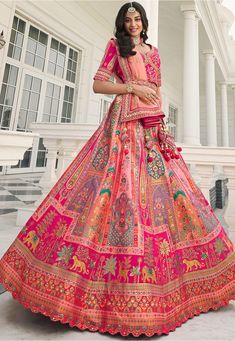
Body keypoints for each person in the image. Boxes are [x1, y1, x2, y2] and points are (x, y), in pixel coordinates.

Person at [0, 1, 235, 337]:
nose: (133, 24)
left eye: (138, 18)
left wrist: (160, 126)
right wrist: (128, 87)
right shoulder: (116, 47)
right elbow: (98, 84)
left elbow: (156, 89)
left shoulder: (153, 52)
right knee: (113, 189)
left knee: (165, 196)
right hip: (121, 126)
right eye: (128, 19)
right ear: (122, 24)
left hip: (150, 126)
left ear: (144, 23)